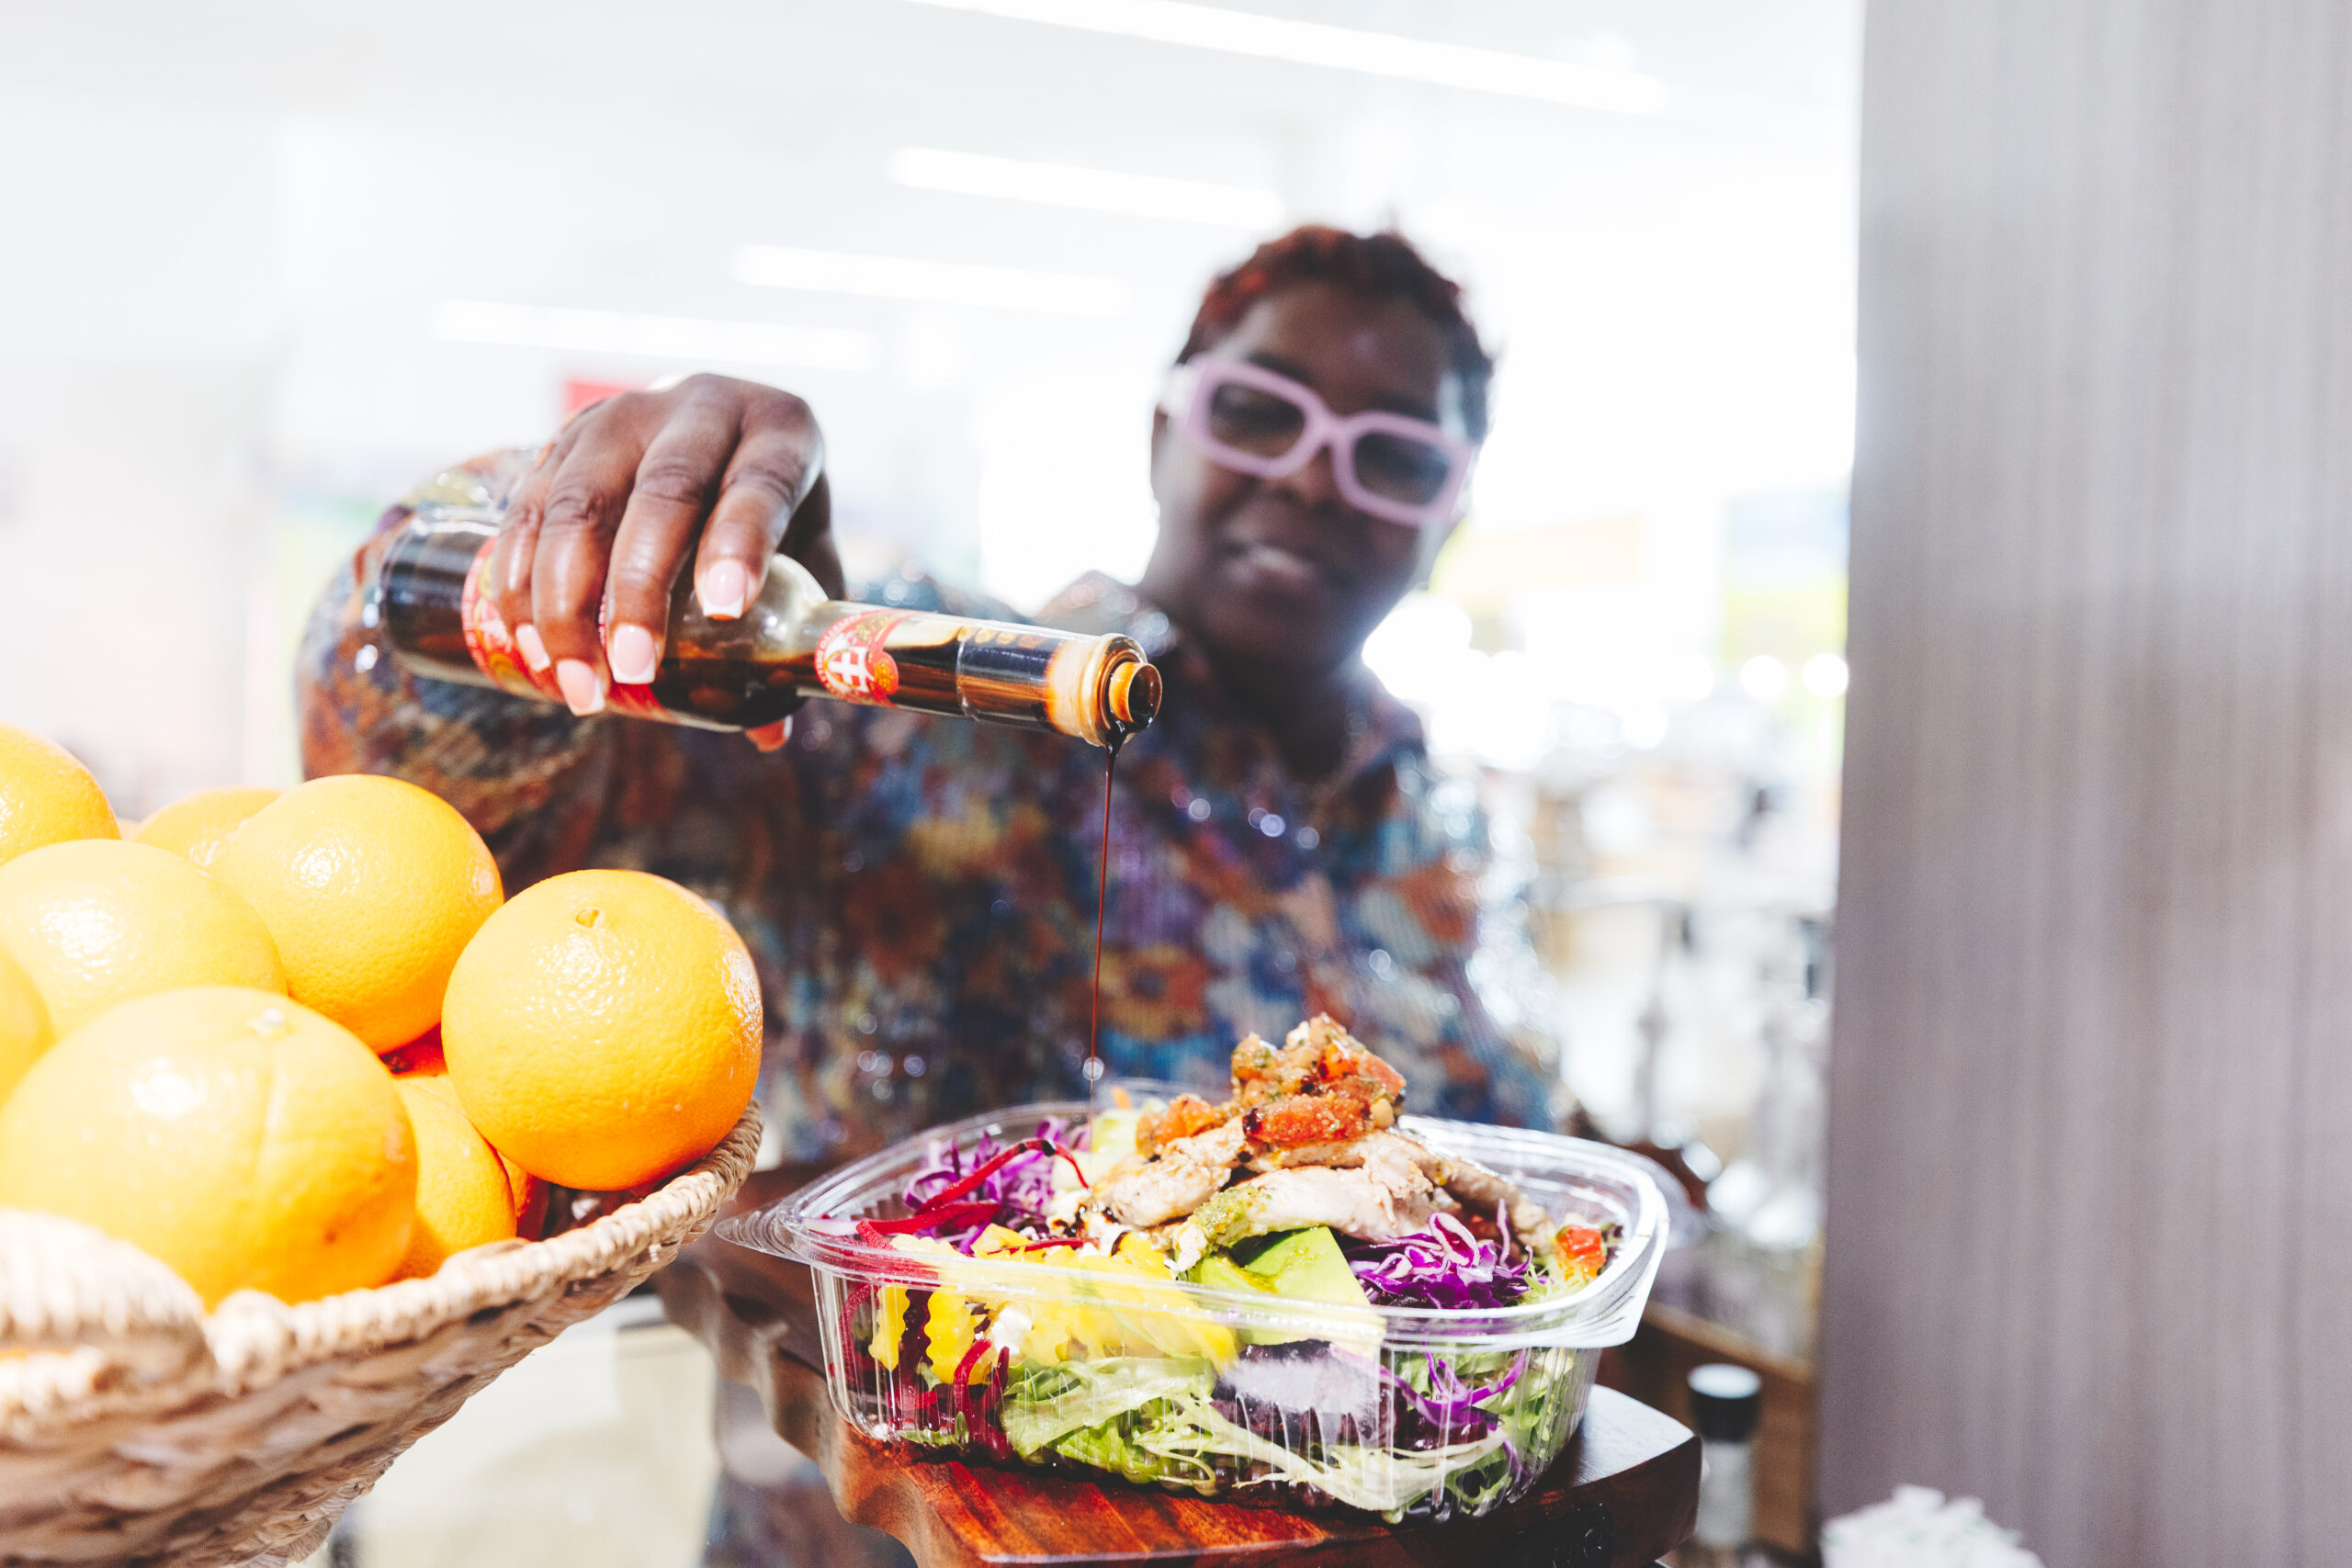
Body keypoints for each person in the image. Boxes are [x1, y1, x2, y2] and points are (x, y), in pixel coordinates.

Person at [300, 224, 1569, 1562]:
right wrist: (564, 542)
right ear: (1162, 434)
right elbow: (397, 766)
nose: (1316, 480)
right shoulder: (911, 713)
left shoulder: (1444, 826)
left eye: (1394, 454)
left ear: (1451, 512)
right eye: (1261, 413)